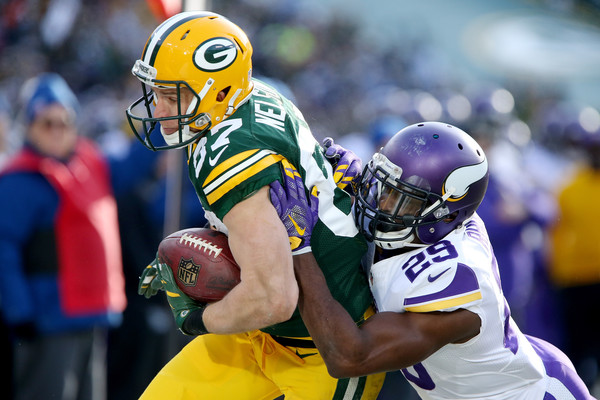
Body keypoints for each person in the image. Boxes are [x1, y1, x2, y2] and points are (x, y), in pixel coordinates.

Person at [125, 11, 385, 399]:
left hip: (325, 345)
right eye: (156, 92)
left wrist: (199, 318)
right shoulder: (248, 96)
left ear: (218, 90)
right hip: (260, 333)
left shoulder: (231, 156)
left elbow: (273, 298)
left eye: (171, 94)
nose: (159, 109)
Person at [278, 121, 594, 399]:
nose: (382, 201)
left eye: (400, 197)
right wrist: (356, 181)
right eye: (383, 185)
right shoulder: (430, 224)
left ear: (442, 213)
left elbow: (349, 358)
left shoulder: (451, 276)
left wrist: (300, 249)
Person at [0, 73, 128, 400]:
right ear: (28, 126)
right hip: (46, 318)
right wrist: (20, 312)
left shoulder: (90, 162)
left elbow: (134, 165)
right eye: (47, 123)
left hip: (91, 314)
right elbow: (4, 249)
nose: (57, 130)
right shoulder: (19, 179)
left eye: (64, 121)